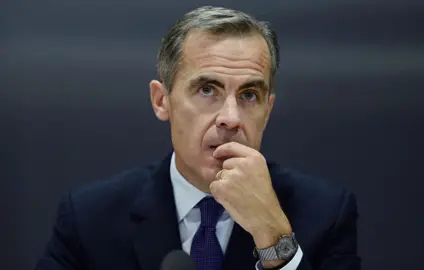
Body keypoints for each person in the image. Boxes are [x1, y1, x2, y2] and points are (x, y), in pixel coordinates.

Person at [35, 6, 361, 270]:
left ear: (268, 109)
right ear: (161, 100)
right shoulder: (91, 218)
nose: (231, 118)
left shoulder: (325, 213)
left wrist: (274, 238)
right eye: (207, 90)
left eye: (249, 95)